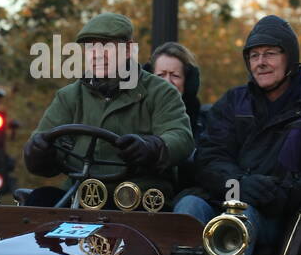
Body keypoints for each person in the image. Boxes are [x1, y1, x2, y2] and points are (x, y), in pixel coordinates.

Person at [174, 15, 301, 255]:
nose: (260, 62)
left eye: (270, 53)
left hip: (279, 217)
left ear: (290, 58)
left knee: (239, 218)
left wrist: (278, 192)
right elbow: (209, 157)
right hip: (224, 199)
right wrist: (240, 185)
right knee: (188, 206)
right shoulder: (232, 102)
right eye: (254, 55)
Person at [23, 12, 194, 206]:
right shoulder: (69, 96)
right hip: (80, 194)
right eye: (90, 47)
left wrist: (151, 147)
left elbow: (181, 137)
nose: (97, 54)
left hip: (139, 199)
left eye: (106, 46)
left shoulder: (160, 91)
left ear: (128, 50)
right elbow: (40, 147)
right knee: (38, 201)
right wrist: (39, 150)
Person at [149, 41, 208, 191]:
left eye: (175, 75)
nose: (167, 82)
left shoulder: (206, 123)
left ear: (188, 81)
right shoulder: (134, 114)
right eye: (160, 75)